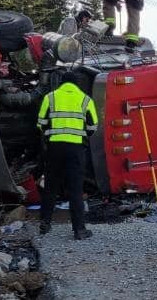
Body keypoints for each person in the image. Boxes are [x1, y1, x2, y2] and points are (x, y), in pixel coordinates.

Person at [37, 71, 99, 240]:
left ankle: (45, 224)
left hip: (54, 149)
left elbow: (41, 123)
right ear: (77, 84)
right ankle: (79, 230)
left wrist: (52, 135)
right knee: (76, 189)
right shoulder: (85, 99)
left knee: (50, 187)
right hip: (76, 150)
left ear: (61, 83)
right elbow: (93, 127)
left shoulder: (50, 97)